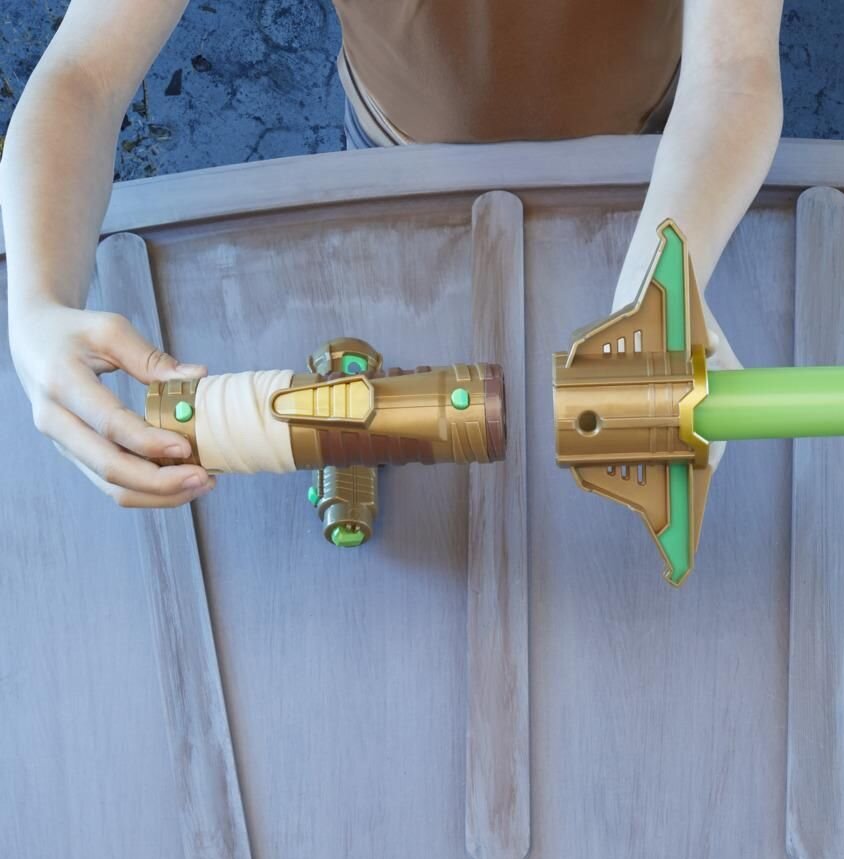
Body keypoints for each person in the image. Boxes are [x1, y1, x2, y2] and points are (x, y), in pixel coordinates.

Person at [1, 0, 784, 507]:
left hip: (646, 145)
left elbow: (733, 65)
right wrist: (38, 298)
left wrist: (662, 268)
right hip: (395, 150)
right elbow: (82, 75)